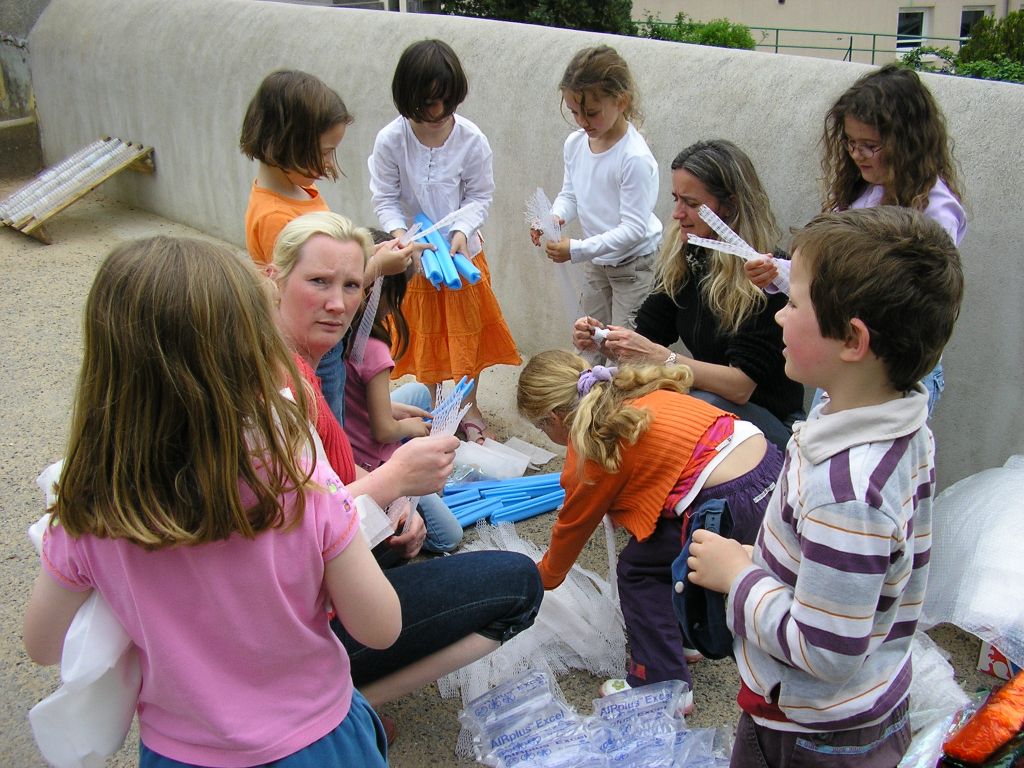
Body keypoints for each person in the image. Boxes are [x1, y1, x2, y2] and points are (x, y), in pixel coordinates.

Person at [23, 236, 400, 766]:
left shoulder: (89, 504)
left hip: (180, 751)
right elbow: (380, 627)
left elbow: (43, 645)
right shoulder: (297, 473)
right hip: (317, 738)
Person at [687, 207, 964, 768]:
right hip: (861, 701)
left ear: (852, 340)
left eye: (793, 303)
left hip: (811, 732)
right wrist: (765, 557)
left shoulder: (848, 491)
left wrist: (738, 578)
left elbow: (826, 650)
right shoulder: (891, 420)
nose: (779, 315)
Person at [267, 212, 542, 723]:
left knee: (407, 534)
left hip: (312, 587)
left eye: (353, 285)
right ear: (274, 279)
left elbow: (325, 488)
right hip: (294, 628)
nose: (338, 303)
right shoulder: (277, 394)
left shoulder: (306, 367)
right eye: (319, 282)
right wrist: (390, 482)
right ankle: (338, 716)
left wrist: (390, 498)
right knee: (520, 582)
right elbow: (284, 536)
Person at [517, 349, 783, 711]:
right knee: (669, 550)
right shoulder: (633, 390)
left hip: (729, 502)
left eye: (541, 427)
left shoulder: (591, 446)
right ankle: (686, 633)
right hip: (770, 469)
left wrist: (545, 577)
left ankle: (661, 683)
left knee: (640, 570)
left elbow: (573, 526)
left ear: (554, 418)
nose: (545, 433)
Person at [748, 64, 965, 413]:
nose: (856, 154)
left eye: (870, 145)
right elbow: (832, 280)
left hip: (889, 372)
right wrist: (779, 273)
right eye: (850, 142)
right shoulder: (861, 192)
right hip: (847, 360)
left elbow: (903, 300)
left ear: (908, 142)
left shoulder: (937, 210)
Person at [574, 139, 803, 449]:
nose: (677, 213)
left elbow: (741, 387)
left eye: (692, 203)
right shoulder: (689, 258)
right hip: (715, 405)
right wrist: (604, 339)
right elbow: (648, 334)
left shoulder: (766, 275)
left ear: (730, 205)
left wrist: (664, 359)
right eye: (676, 199)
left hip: (770, 423)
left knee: (681, 407)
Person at [240, 69, 419, 427]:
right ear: (286, 141)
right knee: (328, 429)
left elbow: (329, 267)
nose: (327, 164)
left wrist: (371, 252)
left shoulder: (298, 192)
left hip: (323, 342)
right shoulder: (277, 216)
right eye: (323, 152)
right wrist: (377, 268)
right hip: (311, 352)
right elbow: (312, 293)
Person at [368, 39, 521, 444]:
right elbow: (385, 197)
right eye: (426, 103)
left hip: (462, 254)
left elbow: (479, 196)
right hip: (416, 256)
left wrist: (461, 231)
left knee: (468, 335)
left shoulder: (471, 138)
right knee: (426, 336)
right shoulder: (391, 139)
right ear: (407, 97)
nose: (436, 112)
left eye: (444, 102)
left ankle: (469, 407)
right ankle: (438, 406)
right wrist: (400, 236)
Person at [531, 45, 661, 359]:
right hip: (597, 260)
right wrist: (555, 217)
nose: (582, 121)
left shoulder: (633, 158)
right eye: (574, 112)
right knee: (588, 341)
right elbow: (571, 194)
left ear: (621, 101)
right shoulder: (576, 144)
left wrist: (576, 249)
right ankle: (589, 390)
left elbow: (633, 229)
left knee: (624, 349)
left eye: (591, 112)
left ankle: (619, 393)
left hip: (633, 265)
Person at [344, 255, 463, 553]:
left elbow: (353, 397)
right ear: (386, 293)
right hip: (370, 462)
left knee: (417, 393)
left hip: (348, 428)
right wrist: (410, 428)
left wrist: (392, 409)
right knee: (450, 537)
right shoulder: (374, 349)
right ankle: (410, 489)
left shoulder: (340, 332)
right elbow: (384, 431)